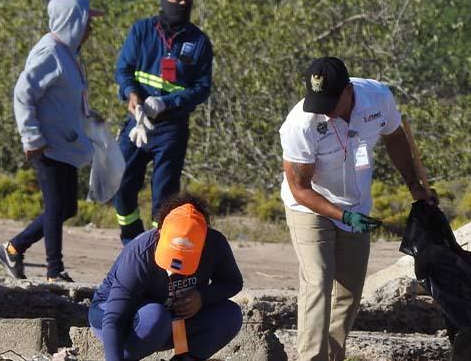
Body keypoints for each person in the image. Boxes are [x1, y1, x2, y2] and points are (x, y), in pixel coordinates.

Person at [279, 57, 433, 360]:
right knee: (319, 283)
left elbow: (395, 137)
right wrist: (343, 217)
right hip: (309, 208)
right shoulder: (300, 124)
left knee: (348, 294)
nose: (322, 108)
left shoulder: (377, 98)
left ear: (348, 91)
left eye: (329, 101)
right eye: (316, 100)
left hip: (356, 204)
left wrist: (415, 186)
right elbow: (300, 188)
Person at [0, 0, 104, 282]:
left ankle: (13, 247)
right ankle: (55, 272)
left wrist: (89, 117)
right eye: (86, 22)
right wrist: (31, 138)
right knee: (56, 206)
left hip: (64, 143)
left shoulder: (69, 54)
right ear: (72, 21)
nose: (91, 29)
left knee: (67, 207)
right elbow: (23, 94)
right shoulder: (50, 52)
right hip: (47, 145)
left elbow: (66, 98)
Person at [113, 0, 213, 245]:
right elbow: (123, 70)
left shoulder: (199, 42)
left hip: (171, 127)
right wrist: (131, 95)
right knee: (120, 184)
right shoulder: (142, 31)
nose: (182, 2)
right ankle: (132, 239)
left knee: (165, 197)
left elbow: (202, 88)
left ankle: (157, 248)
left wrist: (167, 103)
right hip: (138, 122)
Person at [89, 193, 243, 361]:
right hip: (121, 318)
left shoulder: (215, 244)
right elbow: (114, 319)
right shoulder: (141, 253)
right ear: (160, 232)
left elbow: (232, 283)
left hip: (170, 321)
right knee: (155, 316)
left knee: (230, 315)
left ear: (204, 240)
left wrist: (202, 296)